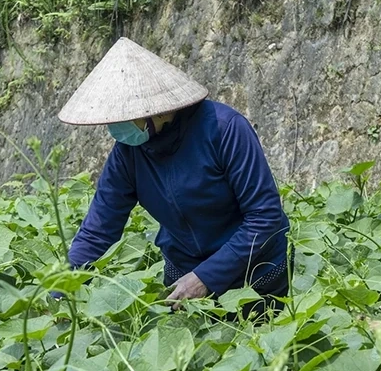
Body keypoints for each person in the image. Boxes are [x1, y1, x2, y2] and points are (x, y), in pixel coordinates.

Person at [57, 37, 291, 318]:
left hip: (255, 270)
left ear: (159, 111)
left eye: (125, 117)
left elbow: (265, 217)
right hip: (183, 271)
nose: (115, 127)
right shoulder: (128, 153)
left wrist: (206, 277)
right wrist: (58, 293)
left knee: (259, 353)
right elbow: (98, 231)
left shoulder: (224, 129)